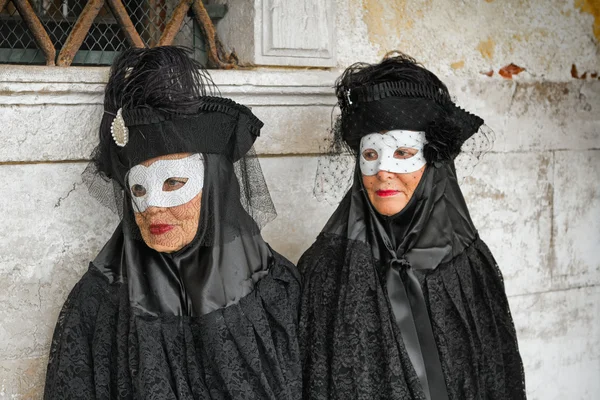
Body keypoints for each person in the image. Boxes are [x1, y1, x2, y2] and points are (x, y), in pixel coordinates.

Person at [43, 46, 302, 399]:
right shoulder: (100, 301)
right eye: (138, 188)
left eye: (173, 183)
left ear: (215, 185)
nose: (151, 207)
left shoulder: (277, 289)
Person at [298, 53, 526, 400]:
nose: (382, 172)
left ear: (434, 161)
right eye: (371, 155)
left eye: (402, 153)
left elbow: (495, 378)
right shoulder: (325, 269)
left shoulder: (469, 264)